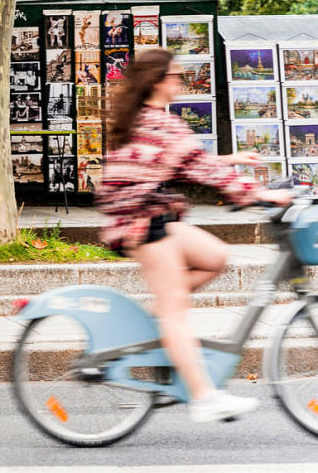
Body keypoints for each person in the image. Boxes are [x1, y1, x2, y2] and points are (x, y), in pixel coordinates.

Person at [98, 48, 292, 423]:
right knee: (176, 311)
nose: (181, 83)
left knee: (215, 258)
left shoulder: (148, 119)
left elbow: (186, 161)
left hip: (151, 214)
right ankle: (204, 397)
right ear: (158, 81)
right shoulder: (157, 123)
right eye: (176, 76)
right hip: (142, 222)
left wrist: (232, 164)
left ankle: (161, 323)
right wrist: (261, 193)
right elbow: (193, 163)